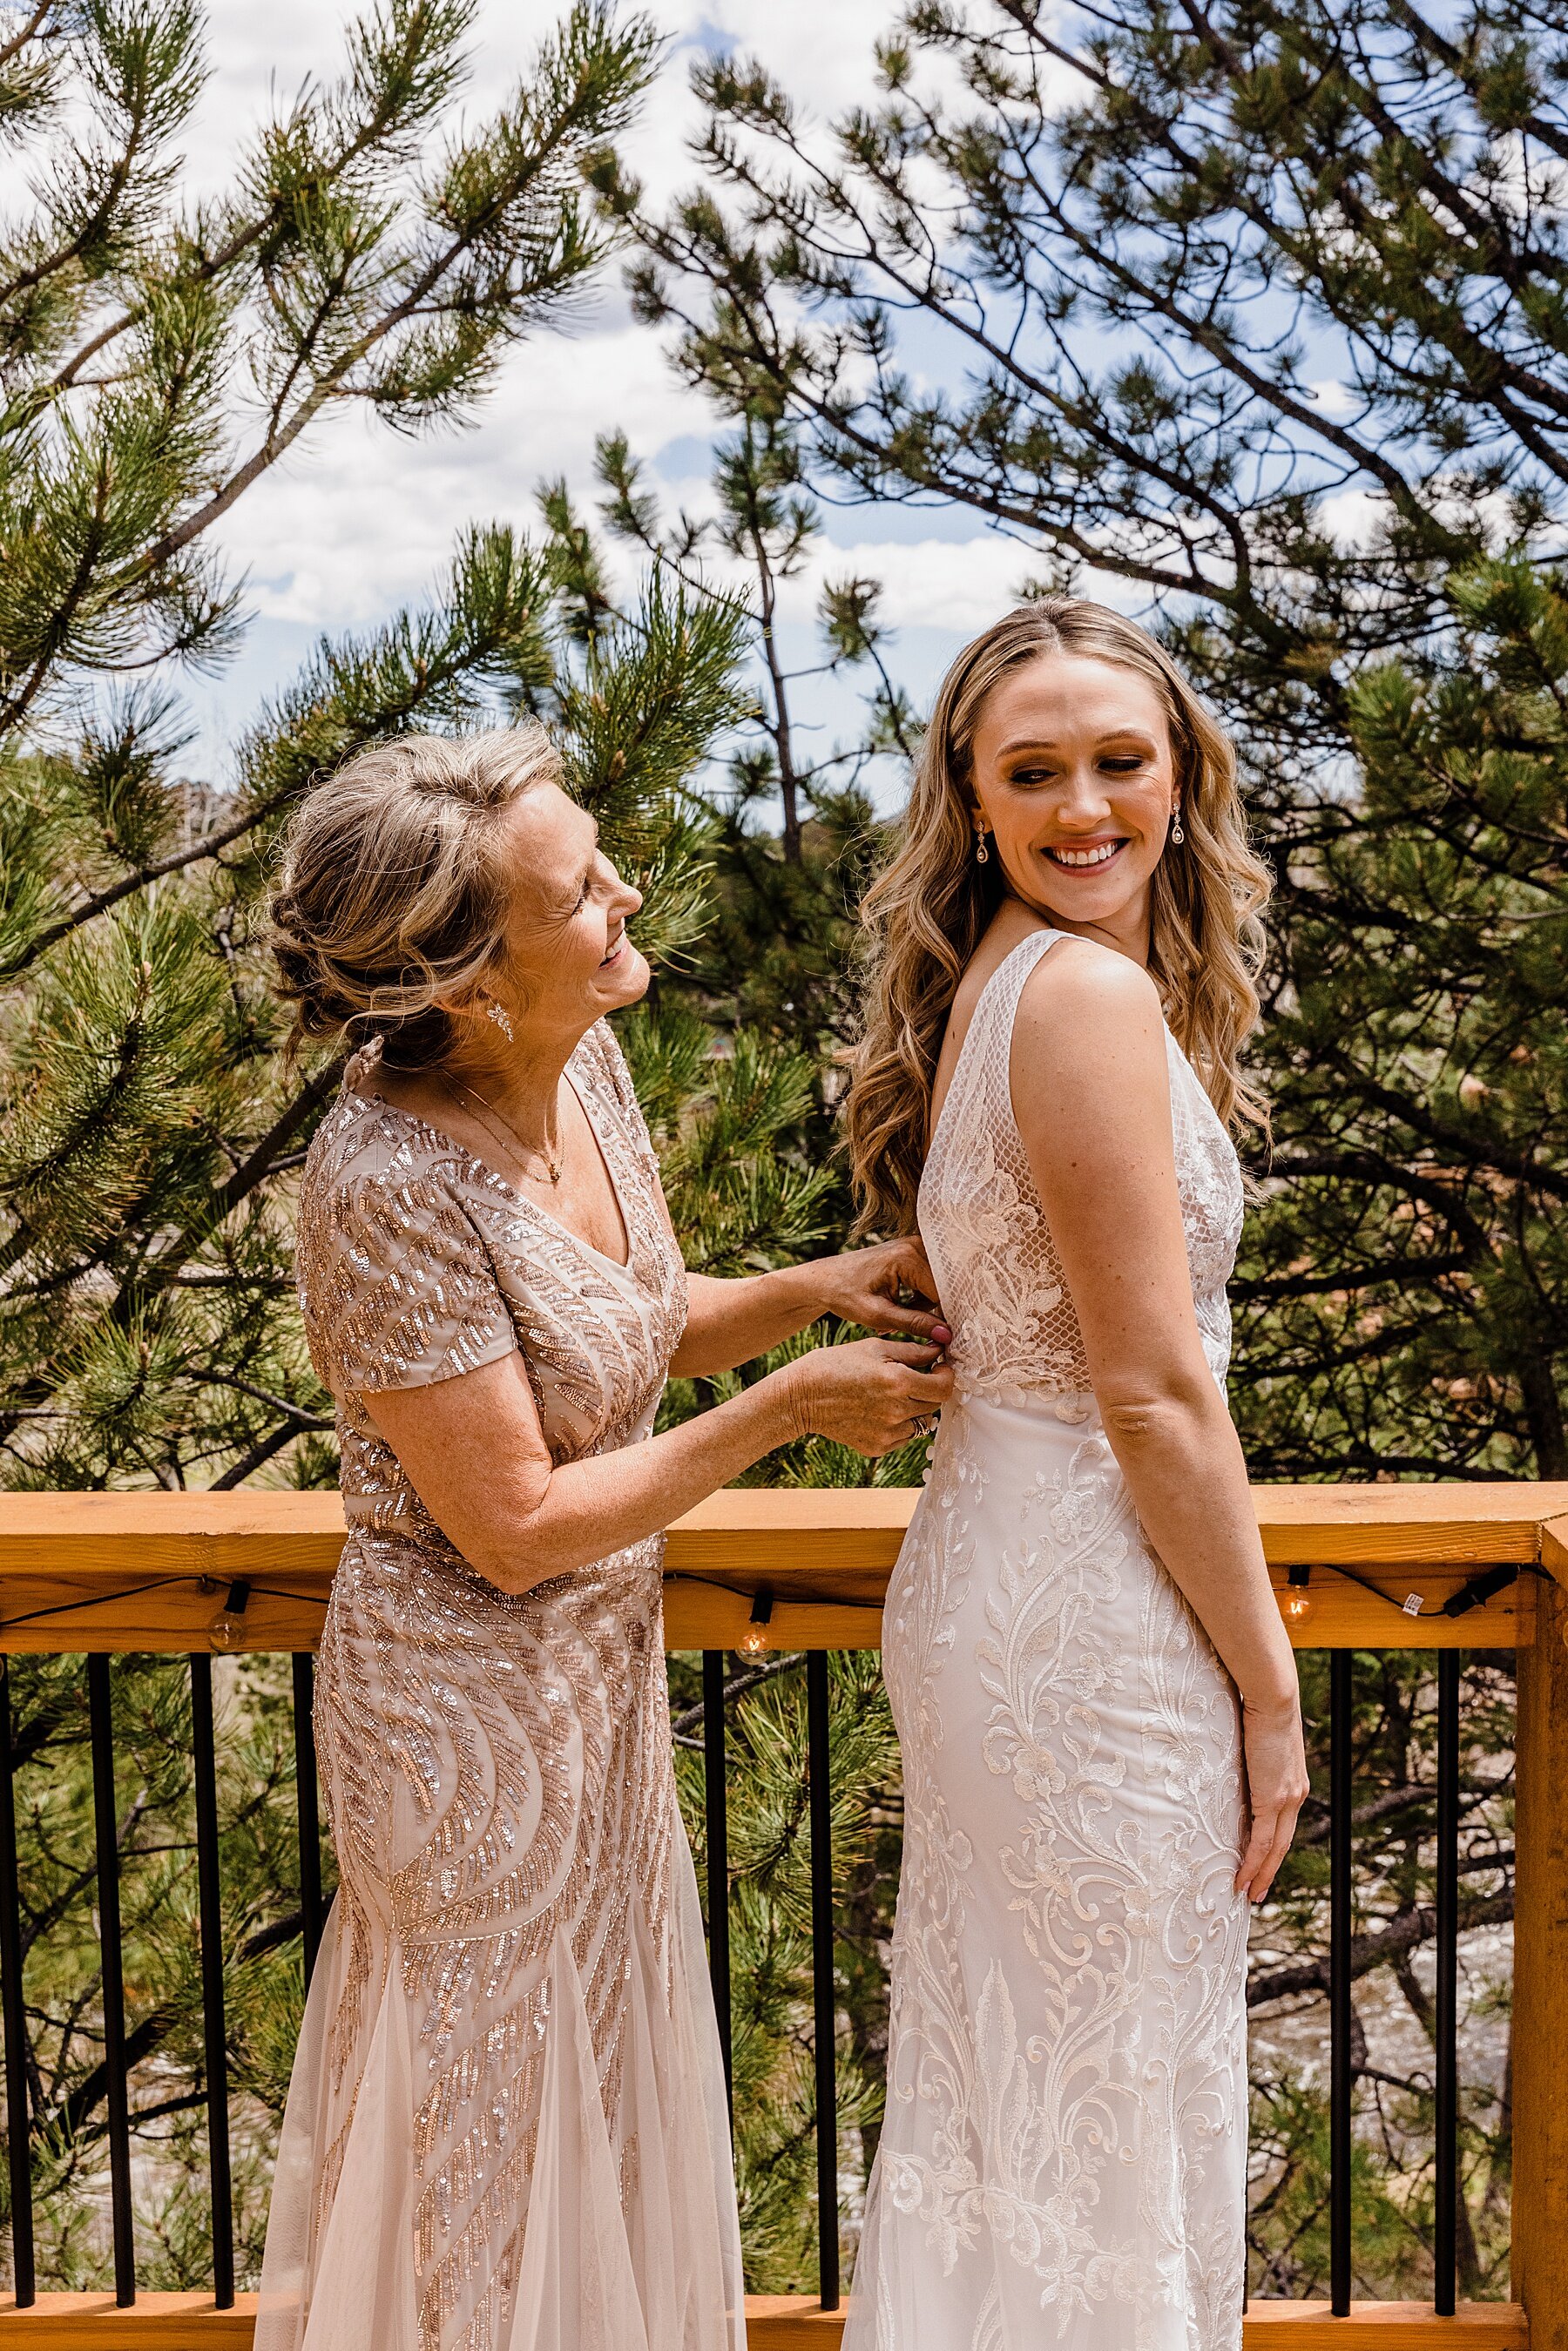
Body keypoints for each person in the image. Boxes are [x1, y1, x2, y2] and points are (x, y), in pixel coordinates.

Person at [255, 726, 952, 2351]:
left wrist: (805, 1292)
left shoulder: (583, 1063)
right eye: (583, 889)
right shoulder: (383, 1179)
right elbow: (511, 1523)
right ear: (475, 973)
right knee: (482, 2159)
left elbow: (620, 1333)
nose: (626, 895)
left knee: (606, 2121)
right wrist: (791, 1407)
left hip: (599, 1703)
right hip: (466, 1736)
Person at [839, 602, 1309, 2351]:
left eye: (1121, 762)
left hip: (998, 1579)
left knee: (1031, 2113)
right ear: (971, 800)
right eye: (1033, 772)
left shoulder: (999, 987)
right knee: (1094, 2115)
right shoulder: (1092, 996)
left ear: (1183, 782)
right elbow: (1160, 1396)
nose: (1084, 804)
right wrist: (1270, 1683)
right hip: (1092, 1626)